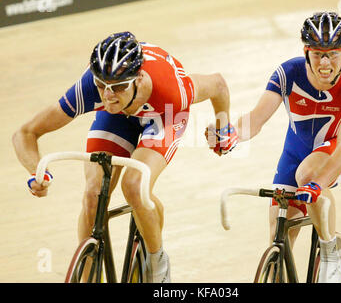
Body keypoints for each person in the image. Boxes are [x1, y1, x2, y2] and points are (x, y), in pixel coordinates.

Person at [12, 31, 238, 283]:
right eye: (102, 86)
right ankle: (88, 275)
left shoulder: (173, 88)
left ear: (138, 79)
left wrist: (222, 126)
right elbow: (25, 132)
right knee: (93, 193)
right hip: (118, 118)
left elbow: (217, 84)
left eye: (117, 87)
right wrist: (35, 170)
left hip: (163, 115)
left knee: (134, 186)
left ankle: (157, 264)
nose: (108, 95)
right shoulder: (90, 86)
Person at [233, 12, 341, 283]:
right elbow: (255, 120)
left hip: (340, 152)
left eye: (333, 54)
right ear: (306, 52)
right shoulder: (288, 73)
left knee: (308, 176)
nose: (325, 62)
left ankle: (330, 254)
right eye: (318, 54)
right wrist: (231, 134)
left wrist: (318, 184)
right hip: (294, 154)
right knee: (277, 232)